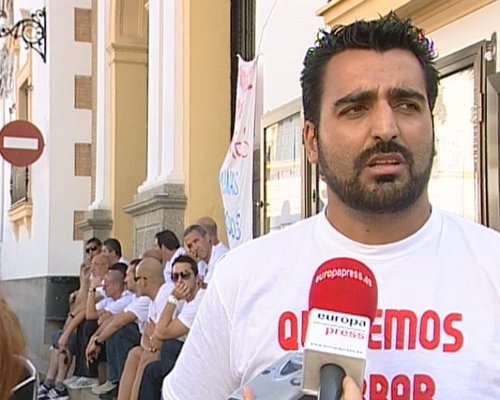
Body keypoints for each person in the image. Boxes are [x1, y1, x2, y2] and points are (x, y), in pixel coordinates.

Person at [162, 13, 500, 400]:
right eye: (356, 109)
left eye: (407, 105)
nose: (386, 128)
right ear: (311, 141)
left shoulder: (492, 269)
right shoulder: (242, 279)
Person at [138, 255, 205, 400]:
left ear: (197, 278)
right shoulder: (185, 302)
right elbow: (154, 333)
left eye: (185, 275)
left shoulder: (199, 301)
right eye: (175, 277)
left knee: (154, 367)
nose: (180, 281)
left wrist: (172, 298)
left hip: (202, 360)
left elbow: (160, 332)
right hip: (189, 356)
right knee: (154, 359)